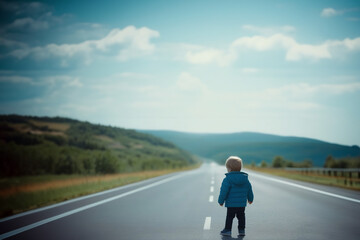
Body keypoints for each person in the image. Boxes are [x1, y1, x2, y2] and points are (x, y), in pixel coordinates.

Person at [218, 156, 254, 237]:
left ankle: (227, 230)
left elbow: (223, 191)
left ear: (229, 168)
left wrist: (221, 201)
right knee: (241, 216)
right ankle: (242, 230)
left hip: (231, 204)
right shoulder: (245, 179)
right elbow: (249, 189)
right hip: (241, 204)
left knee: (230, 217)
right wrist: (250, 199)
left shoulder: (227, 179)